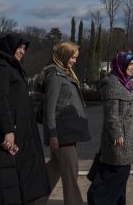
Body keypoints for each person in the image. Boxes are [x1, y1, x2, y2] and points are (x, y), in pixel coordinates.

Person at [0, 33, 51, 205]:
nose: (22, 51)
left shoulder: (11, 67)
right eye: (19, 47)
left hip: (15, 133)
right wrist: (8, 131)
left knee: (14, 184)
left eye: (24, 48)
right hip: (0, 136)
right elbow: (0, 101)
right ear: (9, 47)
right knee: (1, 185)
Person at [87, 51, 133, 205]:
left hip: (126, 138)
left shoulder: (124, 82)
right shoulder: (112, 83)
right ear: (121, 65)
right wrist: (117, 133)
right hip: (118, 140)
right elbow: (111, 114)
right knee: (115, 175)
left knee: (119, 180)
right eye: (130, 64)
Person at [42, 40, 91, 205]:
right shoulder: (55, 76)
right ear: (63, 55)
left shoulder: (64, 73)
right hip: (62, 134)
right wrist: (53, 134)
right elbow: (49, 108)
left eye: (76, 58)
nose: (74, 61)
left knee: (54, 170)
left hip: (67, 132)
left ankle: (33, 200)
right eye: (72, 57)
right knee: (70, 173)